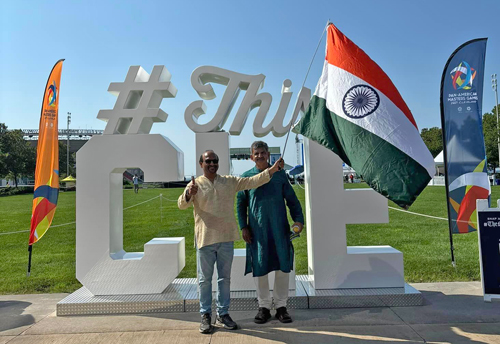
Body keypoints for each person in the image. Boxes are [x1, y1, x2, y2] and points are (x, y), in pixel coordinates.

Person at [178, 150, 283, 334]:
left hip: (226, 239)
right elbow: (181, 204)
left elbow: (252, 181)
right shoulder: (196, 185)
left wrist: (272, 170)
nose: (212, 164)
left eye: (215, 161)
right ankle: (205, 315)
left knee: (224, 280)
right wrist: (188, 193)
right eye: (208, 161)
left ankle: (223, 313)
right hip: (205, 240)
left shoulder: (228, 181)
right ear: (201, 163)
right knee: (204, 281)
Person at [236, 141, 304, 324]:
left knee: (283, 265)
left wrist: (298, 219)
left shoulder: (280, 176)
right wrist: (243, 226)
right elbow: (240, 204)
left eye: (262, 153)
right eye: (256, 153)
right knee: (260, 267)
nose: (259, 156)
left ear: (268, 155)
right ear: (251, 157)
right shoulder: (246, 177)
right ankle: (264, 306)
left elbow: (292, 200)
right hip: (257, 231)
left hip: (279, 228)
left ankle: (281, 306)